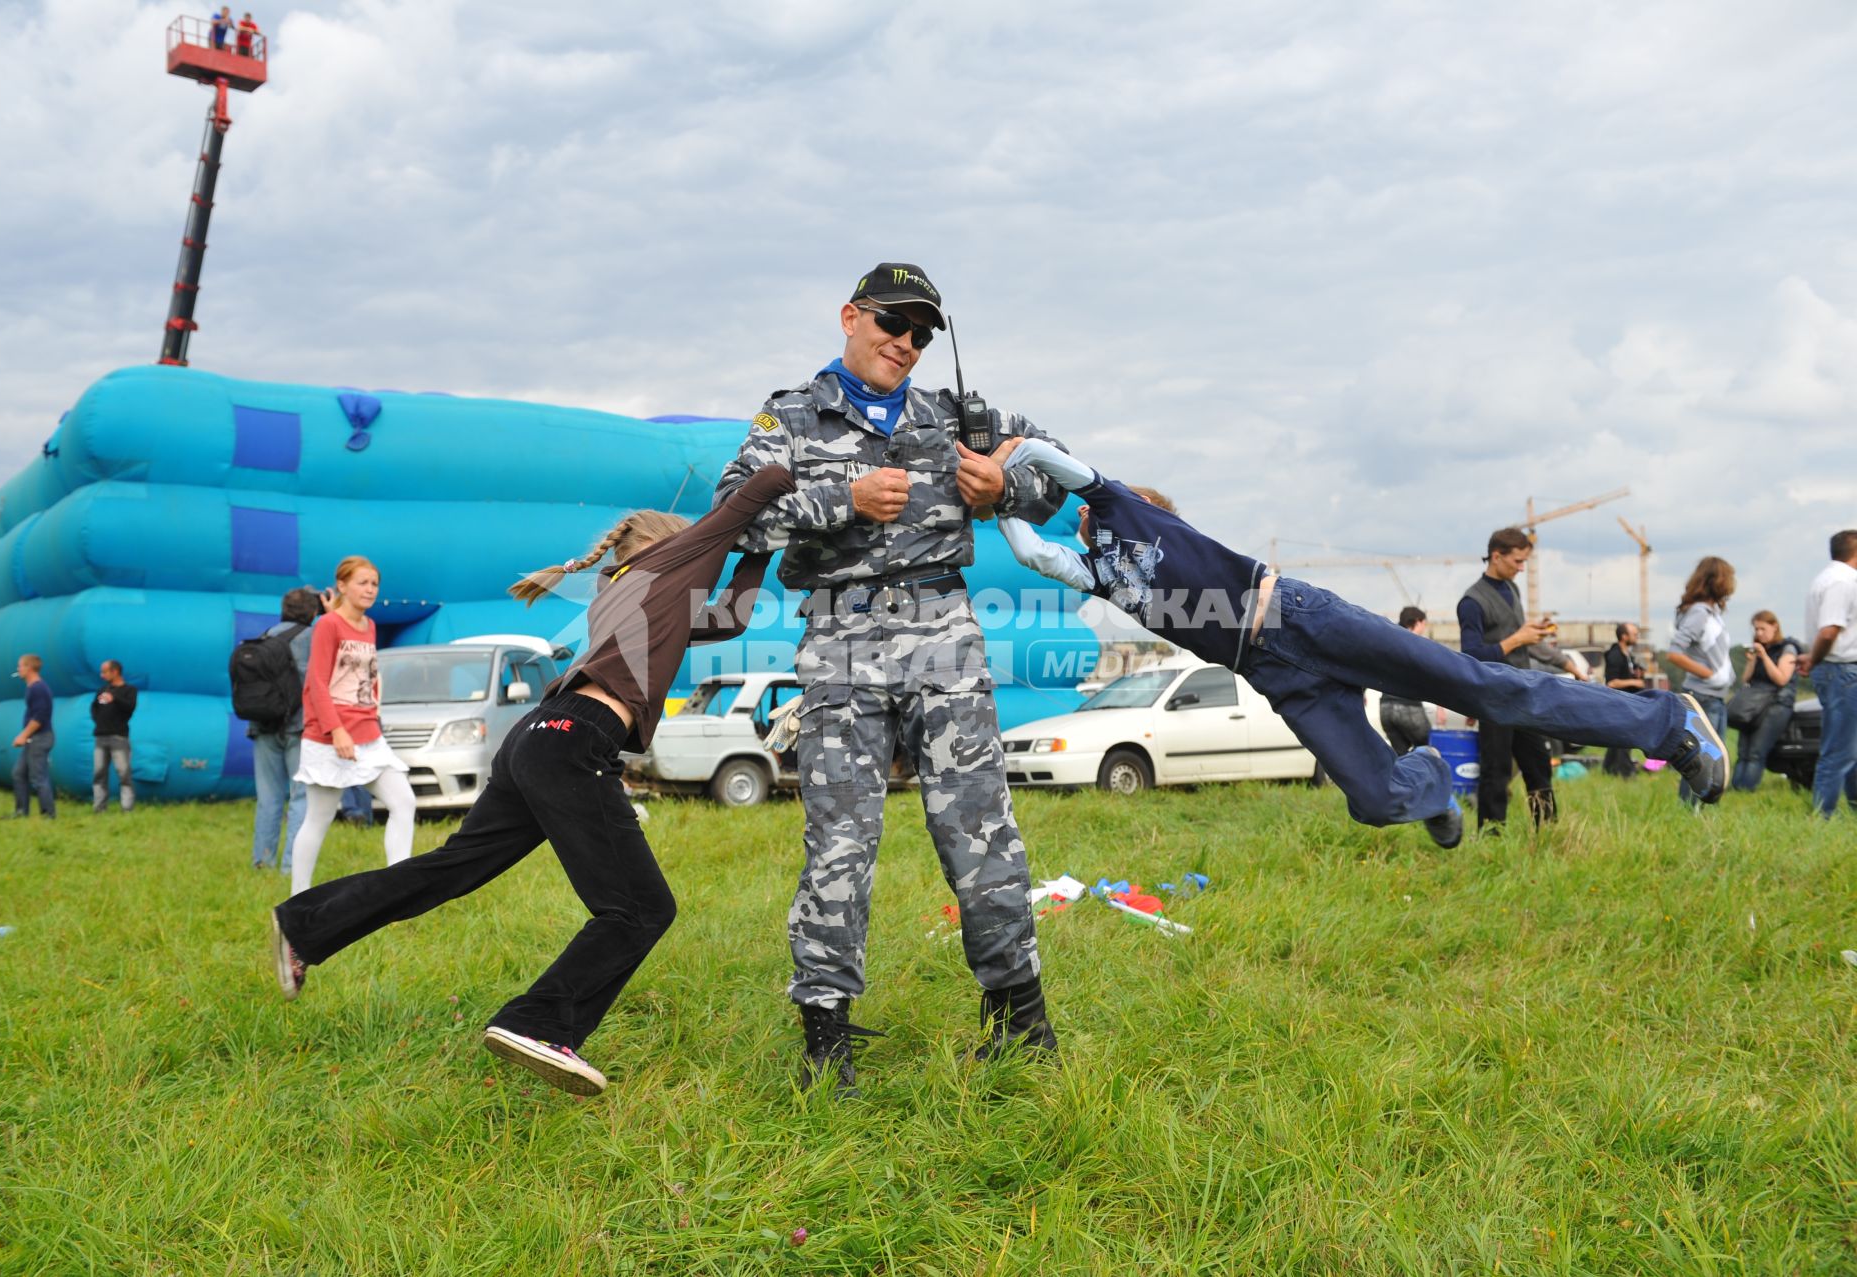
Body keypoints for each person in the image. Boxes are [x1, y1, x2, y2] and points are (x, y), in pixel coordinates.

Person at [270, 467, 794, 1097]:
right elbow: (757, 488)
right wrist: (792, 476)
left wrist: (758, 550)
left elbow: (730, 618)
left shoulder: (619, 587)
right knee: (641, 910)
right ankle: (539, 1023)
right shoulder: (662, 571)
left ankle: (307, 923)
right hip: (575, 741)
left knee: (451, 867)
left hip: (538, 736)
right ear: (666, 550)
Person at [993, 440, 1729, 846]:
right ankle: (1431, 780)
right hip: (1277, 673)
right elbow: (1033, 554)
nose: (1084, 526)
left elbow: (1061, 462)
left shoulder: (1131, 509)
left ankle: (1672, 723)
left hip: (1304, 618)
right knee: (1375, 801)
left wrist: (1014, 454)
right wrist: (997, 503)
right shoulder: (1096, 570)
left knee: (1491, 689)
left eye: (1091, 514)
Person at [715, 262, 1074, 1093]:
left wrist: (1002, 486)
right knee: (840, 839)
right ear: (850, 316)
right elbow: (739, 515)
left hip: (941, 630)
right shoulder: (793, 414)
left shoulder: (959, 413)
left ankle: (1021, 1021)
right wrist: (843, 495)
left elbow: (1055, 478)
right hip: (839, 636)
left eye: (921, 333)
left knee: (980, 831)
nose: (905, 343)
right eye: (891, 323)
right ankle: (826, 1036)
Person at [286, 556, 417, 895]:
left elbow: (366, 676)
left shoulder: (370, 626)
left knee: (404, 802)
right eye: (362, 582)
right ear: (341, 586)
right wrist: (336, 730)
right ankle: (298, 896)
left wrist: (372, 715)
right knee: (319, 817)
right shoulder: (328, 625)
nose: (370, 589)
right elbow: (316, 682)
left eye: (374, 583)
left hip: (368, 735)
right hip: (330, 737)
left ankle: (397, 893)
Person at [1454, 529, 1559, 833]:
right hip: (1493, 698)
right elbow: (1471, 656)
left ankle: (1549, 831)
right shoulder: (1471, 602)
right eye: (1517, 561)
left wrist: (1531, 632)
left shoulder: (1512, 589)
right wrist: (1516, 639)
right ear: (1497, 556)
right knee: (1495, 772)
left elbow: (1514, 635)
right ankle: (1491, 838)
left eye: (1525, 561)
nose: (1522, 568)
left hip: (1523, 692)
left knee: (1539, 765)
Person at [250, 587, 320, 871]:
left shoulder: (265, 636)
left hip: (263, 725)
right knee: (301, 795)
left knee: (268, 798)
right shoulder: (313, 637)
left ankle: (262, 861)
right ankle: (291, 865)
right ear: (313, 611)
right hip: (299, 727)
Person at [1665, 556, 1735, 806]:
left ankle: (1699, 810)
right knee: (1702, 759)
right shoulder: (1699, 613)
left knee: (1712, 759)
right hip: (1704, 695)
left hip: (1715, 696)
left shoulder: (1711, 613)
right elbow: (1674, 652)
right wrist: (1708, 674)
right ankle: (1690, 810)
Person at [1800, 529, 1857, 817]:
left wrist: (1813, 658)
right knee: (1839, 749)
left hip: (1837, 670)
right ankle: (1824, 816)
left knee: (1850, 747)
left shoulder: (1828, 578)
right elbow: (1830, 629)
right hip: (1843, 671)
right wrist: (1814, 659)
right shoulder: (1842, 581)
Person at [1729, 611, 1801, 792]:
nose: (1759, 633)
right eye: (1756, 629)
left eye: (1763, 628)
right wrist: (1753, 660)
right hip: (1754, 705)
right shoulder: (1760, 649)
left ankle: (1747, 789)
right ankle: (1736, 788)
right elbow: (1746, 679)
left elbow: (1781, 679)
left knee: (1755, 751)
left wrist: (1765, 657)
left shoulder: (1788, 648)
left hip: (1776, 705)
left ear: (1774, 626)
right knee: (1743, 750)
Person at [1378, 607, 1433, 755]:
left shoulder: (1389, 642)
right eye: (1424, 624)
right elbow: (1432, 676)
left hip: (1385, 708)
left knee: (1400, 757)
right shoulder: (1418, 644)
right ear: (1417, 622)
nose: (1424, 629)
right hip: (1408, 708)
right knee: (1429, 750)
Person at [7, 654, 56, 820]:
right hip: (33, 739)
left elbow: (40, 717)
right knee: (19, 773)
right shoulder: (31, 687)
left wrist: (23, 735)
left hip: (40, 738)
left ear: (29, 668)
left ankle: (48, 815)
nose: (18, 670)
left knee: (38, 778)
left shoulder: (38, 688)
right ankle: (21, 811)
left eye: (20, 666)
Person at [89, 659, 138, 813]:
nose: (102, 675)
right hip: (100, 738)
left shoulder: (129, 690)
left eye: (105, 672)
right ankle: (99, 808)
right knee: (99, 774)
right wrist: (100, 723)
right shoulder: (102, 690)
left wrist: (115, 698)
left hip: (119, 738)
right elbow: (94, 708)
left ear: (115, 672)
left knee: (124, 773)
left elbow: (130, 707)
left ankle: (127, 808)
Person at [1601, 623, 1648, 777]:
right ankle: (1626, 772)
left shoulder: (1627, 655)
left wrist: (1637, 675)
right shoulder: (1615, 655)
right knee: (1625, 738)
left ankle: (1609, 769)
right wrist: (1634, 682)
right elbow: (1611, 683)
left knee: (1617, 739)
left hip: (1627, 701)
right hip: (1617, 702)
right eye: (1634, 634)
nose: (1637, 637)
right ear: (1624, 636)